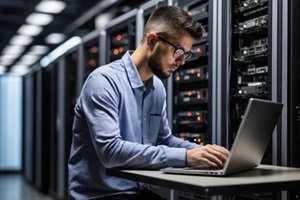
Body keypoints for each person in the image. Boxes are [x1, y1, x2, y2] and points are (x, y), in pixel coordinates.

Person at [68, 5, 230, 200]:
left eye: (186, 54)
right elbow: (110, 152)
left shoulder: (157, 89)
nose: (182, 62)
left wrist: (203, 152)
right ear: (152, 41)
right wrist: (187, 158)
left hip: (136, 192)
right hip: (100, 195)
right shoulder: (103, 82)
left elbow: (164, 140)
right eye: (178, 52)